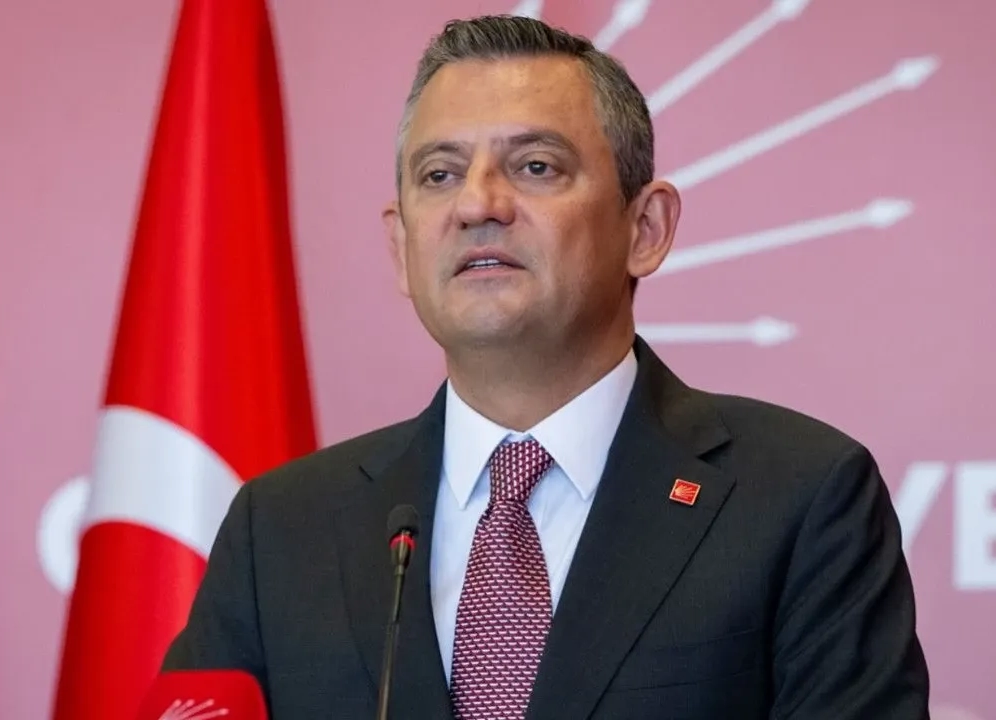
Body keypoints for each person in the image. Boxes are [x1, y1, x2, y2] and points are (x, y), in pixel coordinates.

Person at [162, 14, 930, 719]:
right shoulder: (282, 530)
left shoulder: (799, 499)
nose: (477, 204)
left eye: (535, 166)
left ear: (646, 228)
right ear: (401, 246)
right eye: (439, 175)